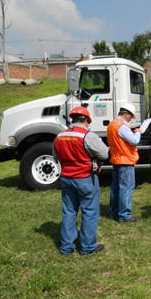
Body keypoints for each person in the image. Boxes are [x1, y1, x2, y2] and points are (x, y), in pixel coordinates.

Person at [53, 107, 109, 255]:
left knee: (69, 212)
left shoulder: (60, 136)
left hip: (66, 178)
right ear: (85, 121)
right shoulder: (87, 136)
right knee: (89, 212)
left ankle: (66, 247)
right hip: (85, 178)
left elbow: (56, 157)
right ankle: (87, 247)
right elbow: (104, 154)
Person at [107, 103, 142, 223]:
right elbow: (135, 140)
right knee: (126, 188)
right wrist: (138, 132)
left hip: (116, 159)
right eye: (130, 117)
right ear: (126, 114)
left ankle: (114, 212)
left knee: (116, 187)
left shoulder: (112, 124)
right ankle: (124, 216)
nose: (131, 120)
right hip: (125, 160)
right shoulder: (122, 126)